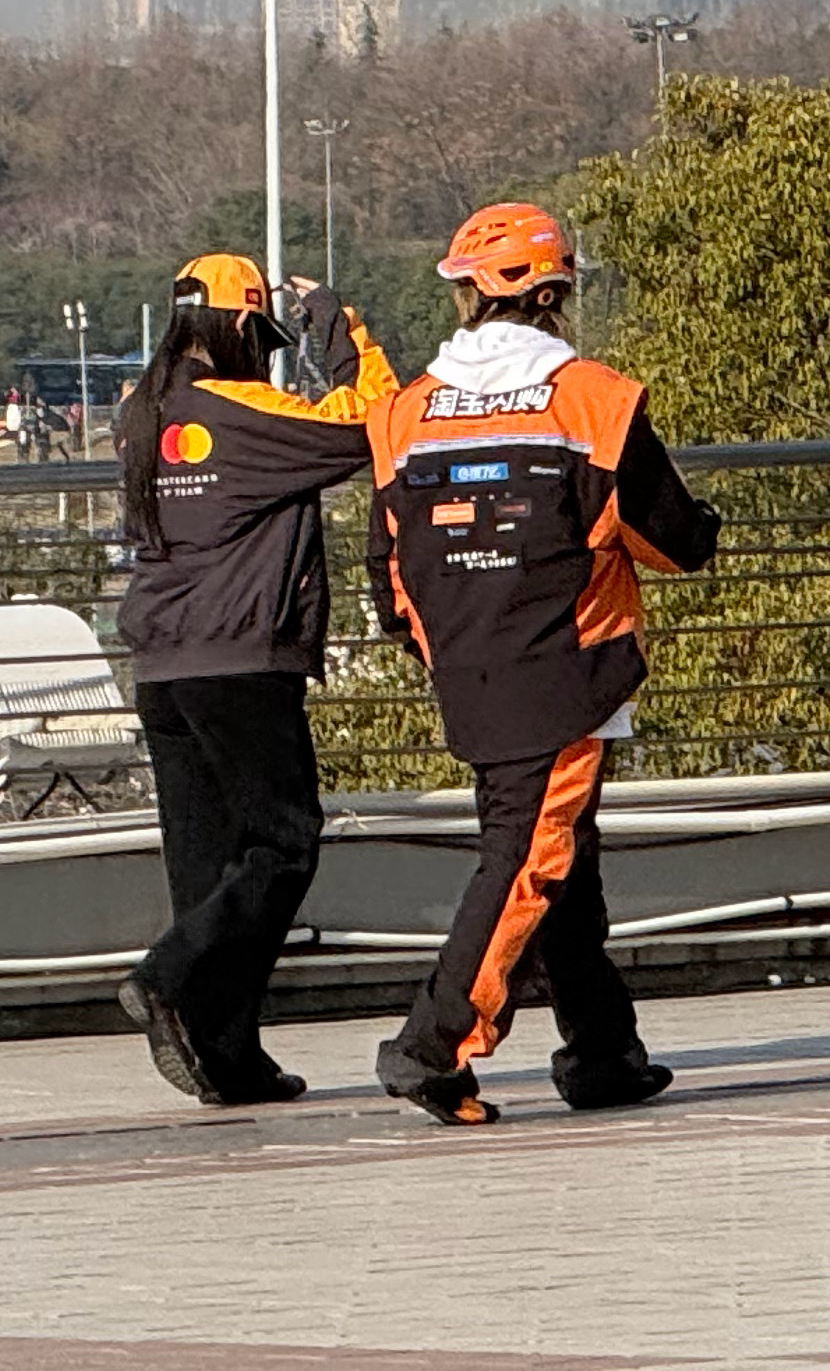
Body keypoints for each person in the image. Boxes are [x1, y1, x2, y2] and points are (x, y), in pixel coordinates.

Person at [364, 200, 721, 1126]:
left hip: (466, 665)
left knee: (565, 863)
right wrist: (704, 526)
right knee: (527, 859)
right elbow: (674, 542)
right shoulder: (594, 399)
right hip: (566, 669)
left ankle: (603, 1053)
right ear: (558, 294)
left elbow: (387, 567)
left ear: (464, 297)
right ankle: (433, 1046)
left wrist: (442, 643)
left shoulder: (406, 411)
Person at [111, 250, 398, 1106]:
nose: (266, 356)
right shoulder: (242, 409)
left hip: (162, 665)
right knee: (284, 845)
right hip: (240, 656)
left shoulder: (139, 410)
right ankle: (166, 975)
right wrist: (340, 325)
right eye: (263, 338)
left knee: (205, 870)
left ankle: (229, 1060)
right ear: (240, 325)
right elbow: (372, 420)